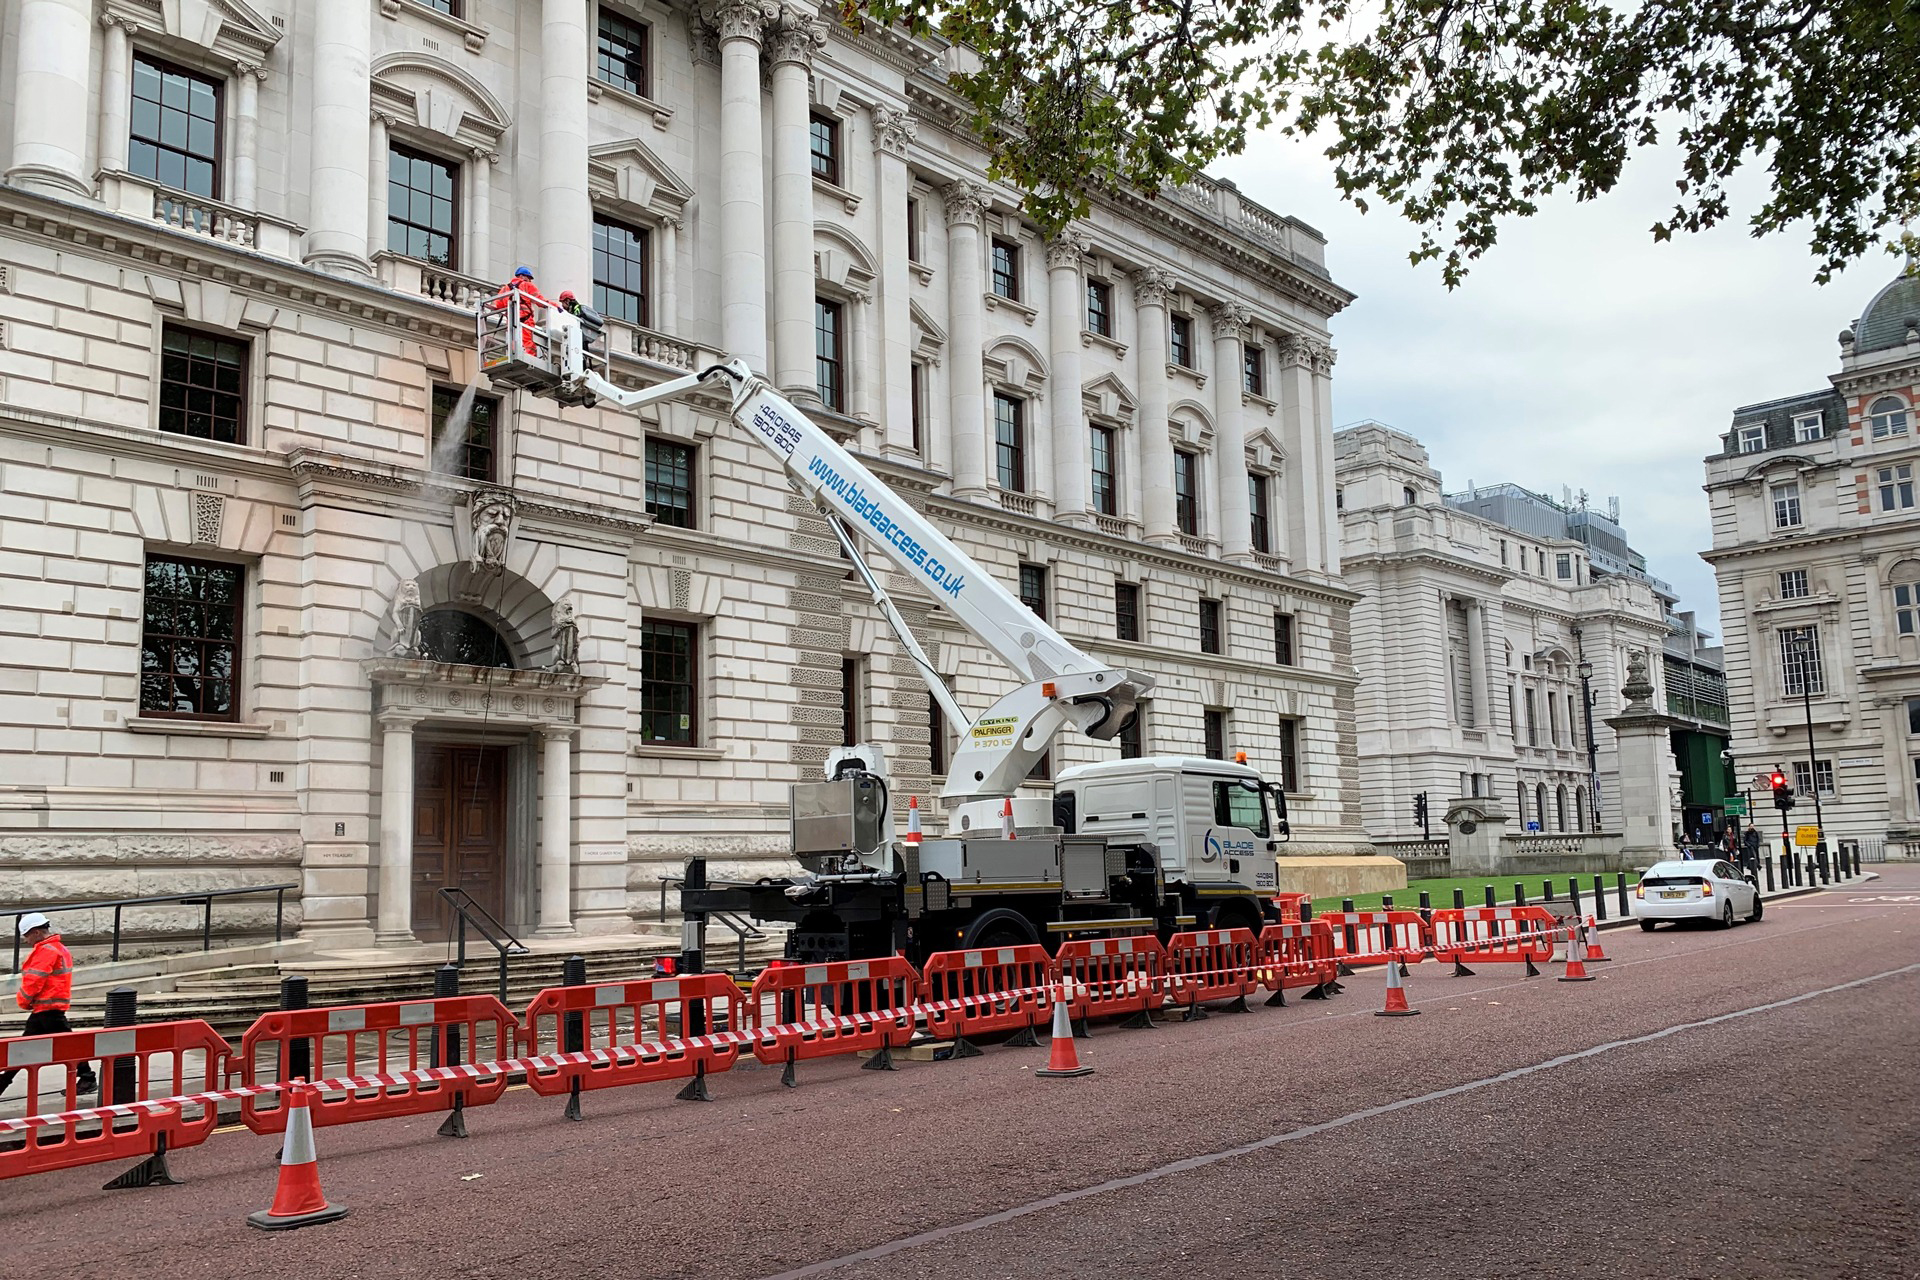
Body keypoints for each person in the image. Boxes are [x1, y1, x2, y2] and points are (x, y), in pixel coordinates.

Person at [0, 913, 96, 1097]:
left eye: (26, 935)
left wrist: (23, 1001)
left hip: (47, 1009)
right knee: (25, 1048)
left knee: (64, 1046)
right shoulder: (59, 948)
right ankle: (2, 1082)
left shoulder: (46, 951)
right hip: (49, 1008)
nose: (26, 940)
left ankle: (88, 1078)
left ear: (36, 932)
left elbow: (33, 981)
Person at [491, 266, 548, 357]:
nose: (530, 281)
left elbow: (496, 304)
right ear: (522, 276)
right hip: (526, 320)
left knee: (513, 339)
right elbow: (541, 301)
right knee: (528, 342)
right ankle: (528, 358)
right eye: (528, 278)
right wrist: (555, 307)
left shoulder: (506, 288)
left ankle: (514, 354)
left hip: (511, 321)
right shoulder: (527, 285)